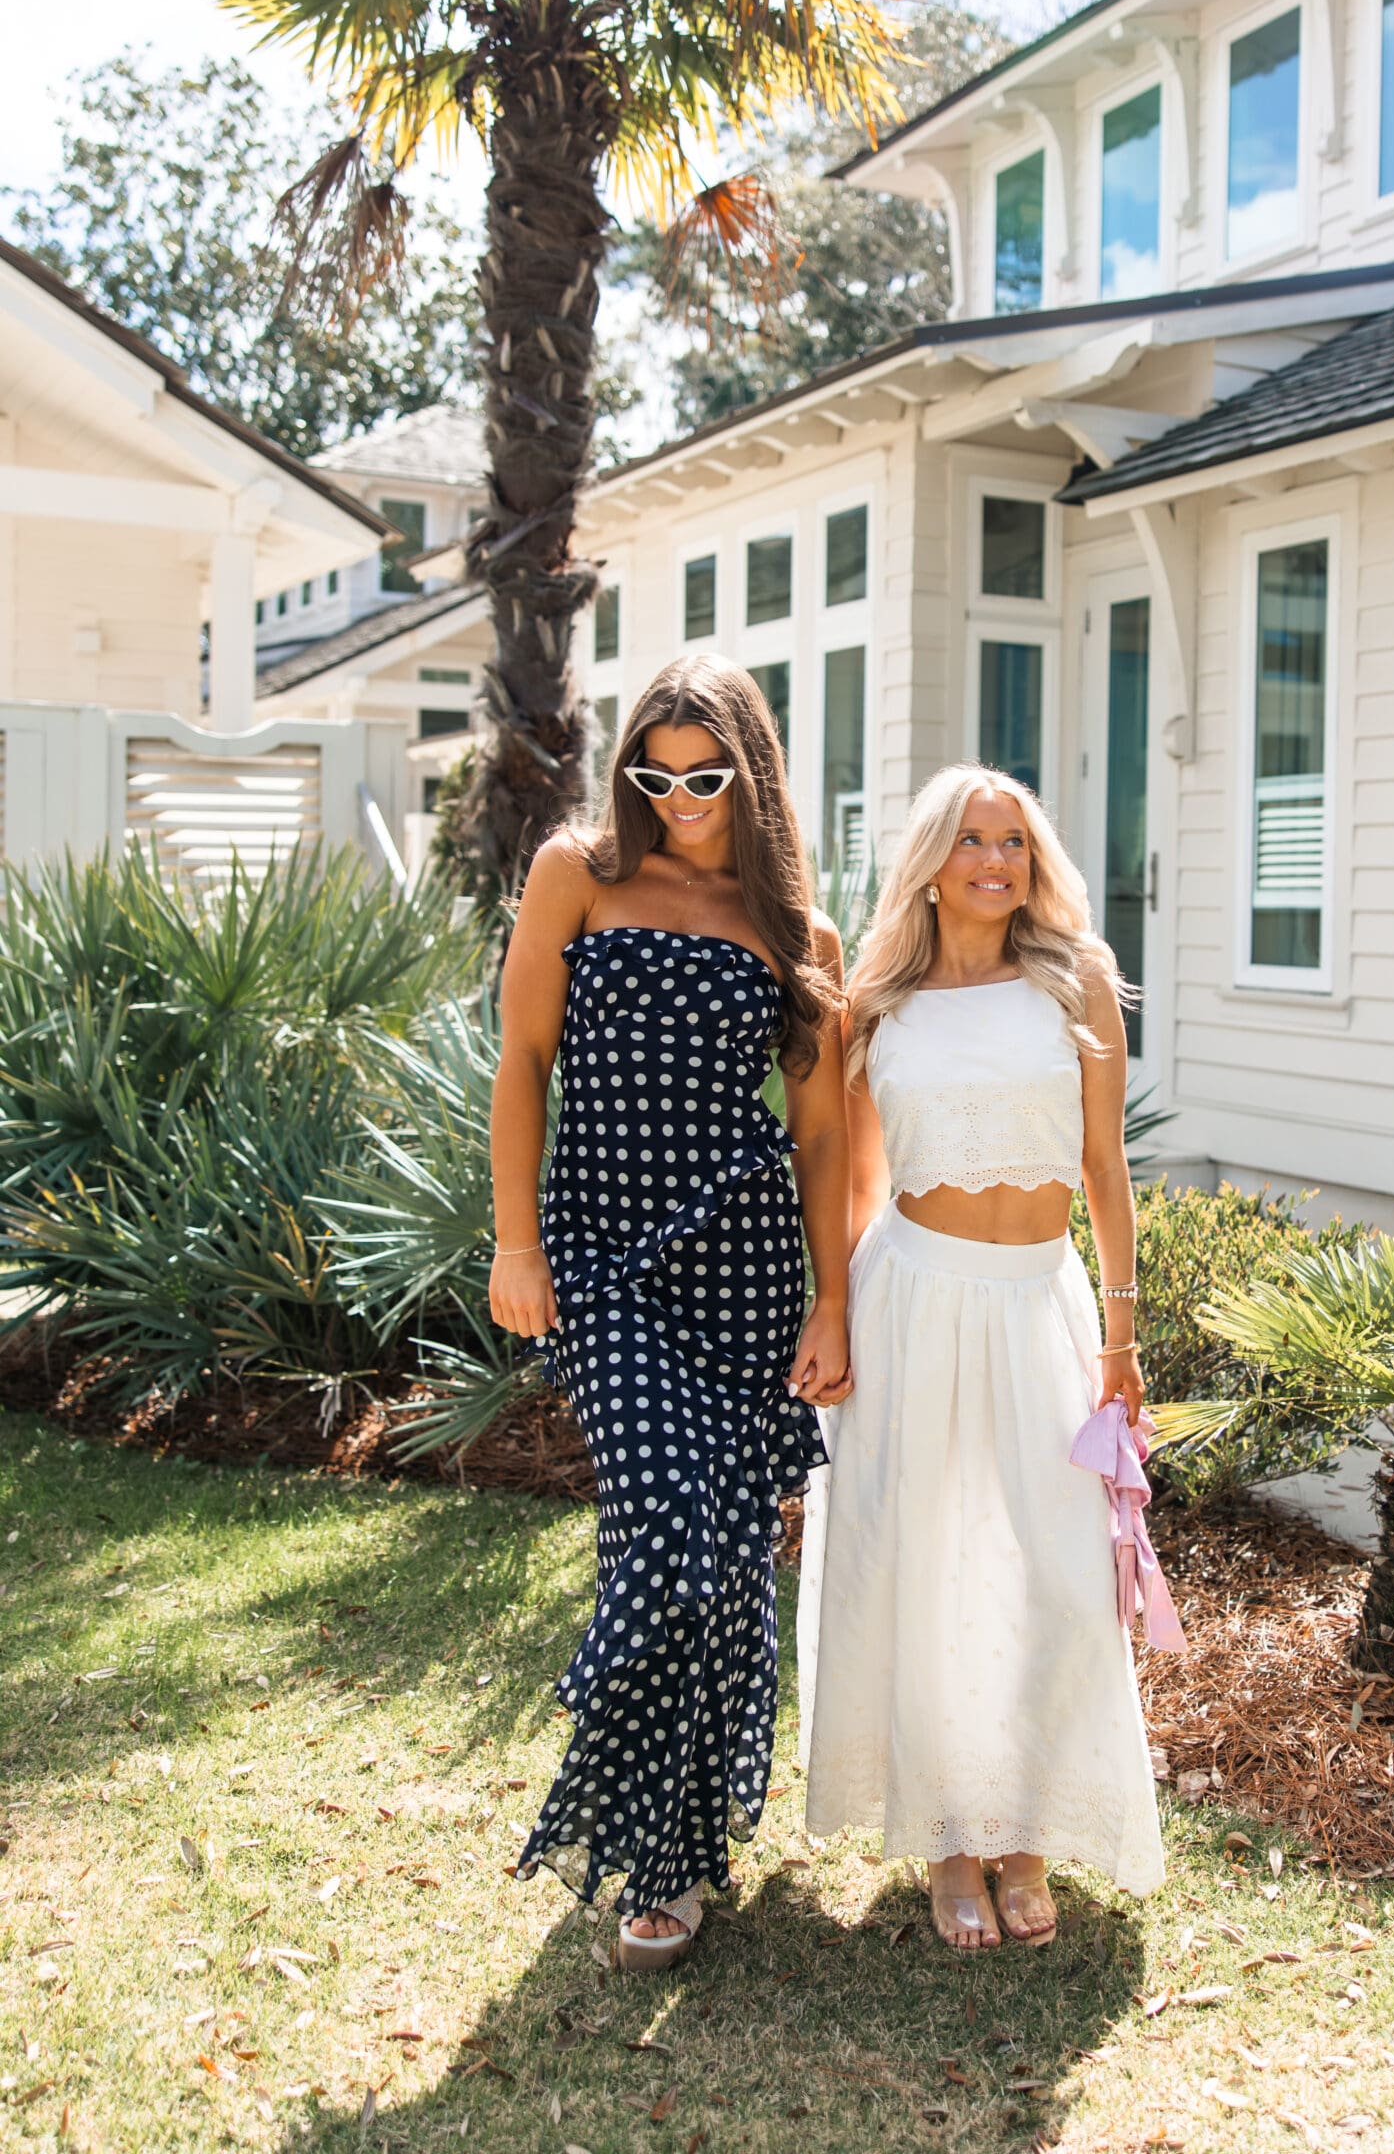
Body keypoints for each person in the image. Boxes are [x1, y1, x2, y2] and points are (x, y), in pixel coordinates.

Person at [490, 654, 852, 1971]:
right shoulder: (573, 876)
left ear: (748, 775)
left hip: (745, 1267)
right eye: (655, 771)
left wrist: (835, 1303)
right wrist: (516, 1239)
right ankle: (639, 1815)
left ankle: (678, 1851)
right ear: (626, 767)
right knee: (658, 1527)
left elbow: (818, 1140)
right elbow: (522, 1060)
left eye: (707, 776)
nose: (680, 797)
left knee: (728, 1556)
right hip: (599, 1257)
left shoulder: (794, 933)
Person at [798, 764, 1165, 1950]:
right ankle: (954, 1838)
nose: (996, 861)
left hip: (1036, 1304)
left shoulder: (1080, 983)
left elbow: (1105, 1172)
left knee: (1052, 1569)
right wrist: (836, 1316)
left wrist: (1122, 1335)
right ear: (931, 861)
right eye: (971, 840)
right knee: (935, 1565)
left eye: (1014, 840)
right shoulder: (878, 1002)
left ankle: (1030, 1835)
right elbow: (854, 1183)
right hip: (912, 1302)